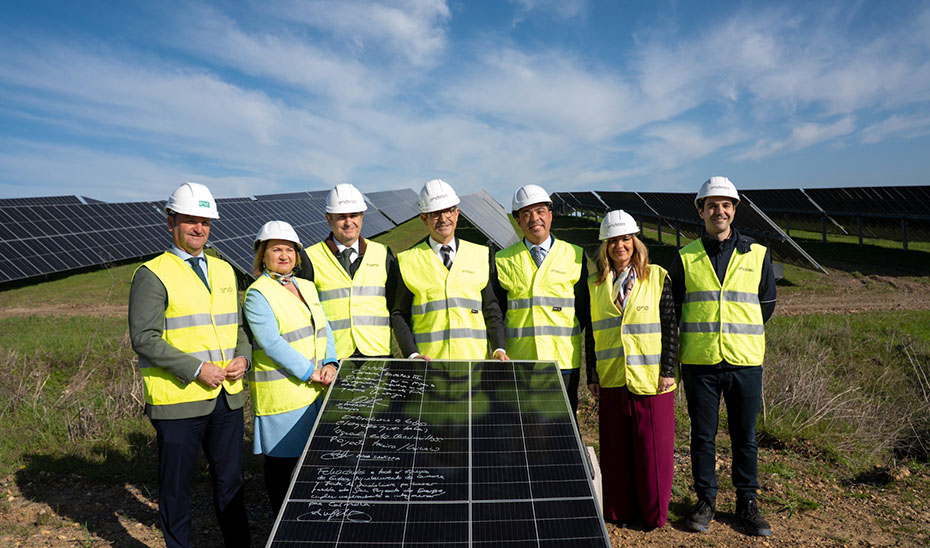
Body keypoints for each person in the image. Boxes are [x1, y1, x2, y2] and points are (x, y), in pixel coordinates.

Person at [128, 182, 250, 548]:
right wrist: (197, 369)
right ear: (171, 222)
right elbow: (144, 338)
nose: (199, 228)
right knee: (176, 488)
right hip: (179, 401)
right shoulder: (153, 273)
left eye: (205, 222)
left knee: (231, 483)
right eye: (190, 221)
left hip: (227, 398)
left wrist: (243, 356)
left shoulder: (225, 270)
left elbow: (237, 327)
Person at [671, 176, 777, 537]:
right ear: (700, 211)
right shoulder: (685, 257)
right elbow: (676, 308)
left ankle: (747, 501)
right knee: (703, 436)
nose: (720, 211)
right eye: (712, 205)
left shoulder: (757, 254)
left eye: (726, 205)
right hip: (699, 361)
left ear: (734, 210)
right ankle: (706, 500)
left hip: (744, 360)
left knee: (744, 436)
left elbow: (766, 305)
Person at [586, 210, 678, 529]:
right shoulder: (596, 285)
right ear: (605, 246)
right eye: (613, 241)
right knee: (616, 451)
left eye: (625, 239)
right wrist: (593, 374)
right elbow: (592, 334)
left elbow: (670, 326)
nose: (620, 246)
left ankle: (652, 515)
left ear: (635, 242)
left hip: (651, 380)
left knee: (653, 452)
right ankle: (618, 511)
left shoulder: (657, 276)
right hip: (612, 377)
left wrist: (668, 369)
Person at [244, 220, 339, 515]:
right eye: (276, 250)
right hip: (284, 398)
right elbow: (270, 342)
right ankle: (281, 527)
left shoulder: (307, 286)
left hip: (316, 392)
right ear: (263, 255)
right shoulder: (257, 293)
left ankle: (309, 524)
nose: (284, 255)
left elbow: (324, 328)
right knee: (282, 470)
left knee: (313, 467)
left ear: (297, 255)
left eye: (289, 249)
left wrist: (331, 362)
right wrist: (310, 371)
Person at [493, 184, 592, 412]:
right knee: (521, 423)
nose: (534, 218)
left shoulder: (575, 255)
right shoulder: (502, 259)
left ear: (550, 215)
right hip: (519, 360)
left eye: (540, 211)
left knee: (563, 424)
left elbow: (583, 309)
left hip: (563, 359)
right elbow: (498, 311)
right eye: (526, 213)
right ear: (518, 220)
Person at [391, 178, 507, 361]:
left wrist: (499, 348)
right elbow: (399, 314)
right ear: (424, 219)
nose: (443, 218)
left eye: (448, 211)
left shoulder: (480, 255)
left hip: (474, 365)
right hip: (429, 366)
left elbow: (491, 310)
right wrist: (412, 355)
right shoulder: (407, 260)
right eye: (435, 213)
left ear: (457, 213)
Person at [297, 183, 397, 359]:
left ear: (362, 216)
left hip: (378, 352)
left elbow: (394, 304)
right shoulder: (309, 258)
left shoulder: (383, 253)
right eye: (341, 217)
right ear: (329, 219)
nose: (348, 222)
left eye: (354, 215)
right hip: (333, 356)